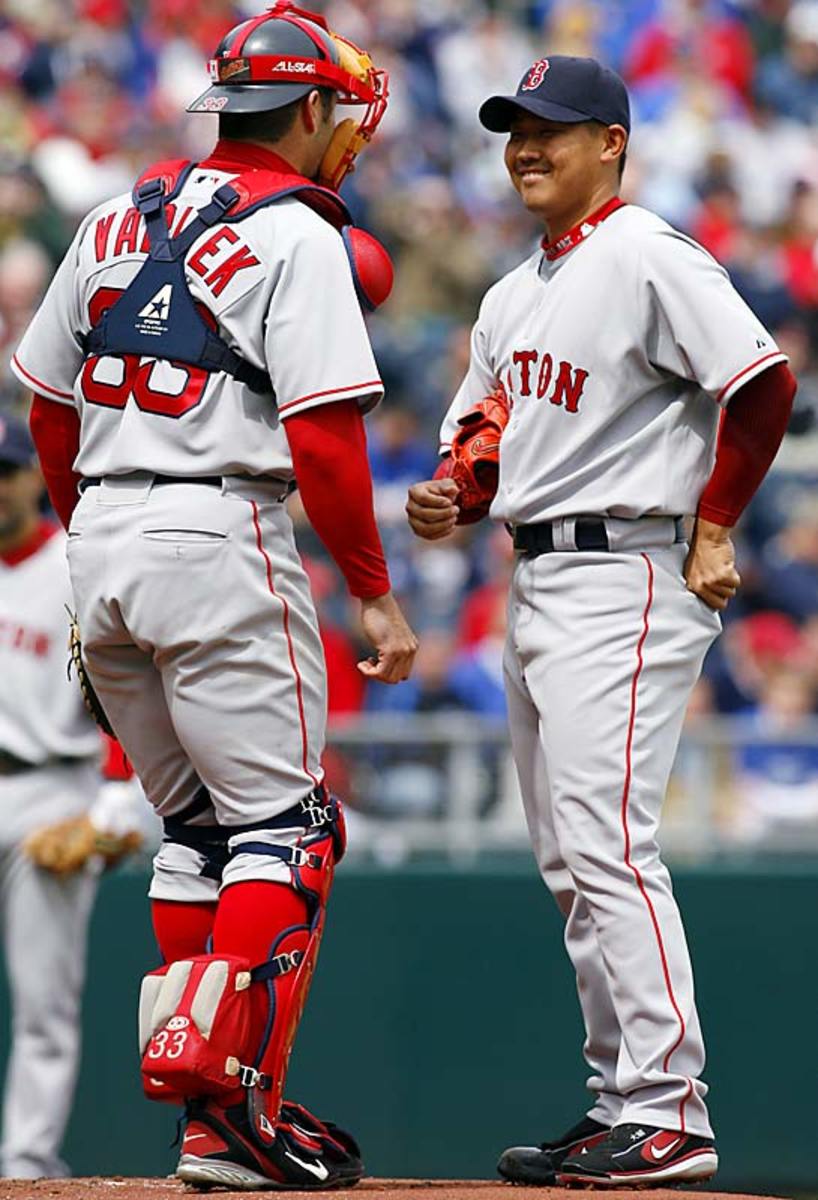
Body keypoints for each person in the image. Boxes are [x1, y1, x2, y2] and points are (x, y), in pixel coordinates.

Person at [10, 2, 417, 1190]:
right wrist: (375, 598)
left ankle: (205, 1134)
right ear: (300, 108)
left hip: (101, 532)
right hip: (217, 525)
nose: (345, 130)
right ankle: (228, 1096)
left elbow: (43, 402)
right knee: (290, 829)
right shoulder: (300, 238)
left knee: (193, 834)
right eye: (335, 109)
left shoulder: (109, 218)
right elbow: (330, 442)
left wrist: (88, 530)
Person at [407, 54, 797, 1188]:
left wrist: (717, 521)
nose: (524, 148)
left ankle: (670, 1108)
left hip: (628, 565)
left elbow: (760, 383)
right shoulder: (509, 290)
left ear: (610, 141)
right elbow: (481, 430)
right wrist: (453, 491)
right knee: (568, 856)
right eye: (513, 130)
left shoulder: (645, 252)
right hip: (537, 572)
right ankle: (622, 1097)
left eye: (552, 130)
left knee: (605, 841)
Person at [0, 414, 144, 1179]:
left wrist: (116, 791)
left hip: (50, 788)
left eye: (4, 472)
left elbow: (118, 679)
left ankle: (23, 1167)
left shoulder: (71, 566)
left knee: (44, 1001)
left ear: (32, 476)